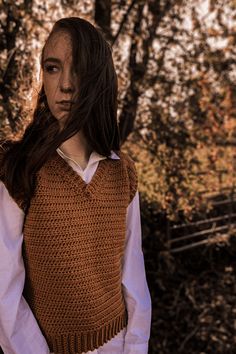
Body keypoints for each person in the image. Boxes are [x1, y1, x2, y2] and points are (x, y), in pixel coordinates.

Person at [0, 17, 152, 354]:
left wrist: (136, 346)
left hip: (119, 343)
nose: (65, 84)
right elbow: (4, 290)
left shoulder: (121, 173)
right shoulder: (20, 169)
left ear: (98, 80)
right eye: (52, 68)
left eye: (78, 69)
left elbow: (134, 275)